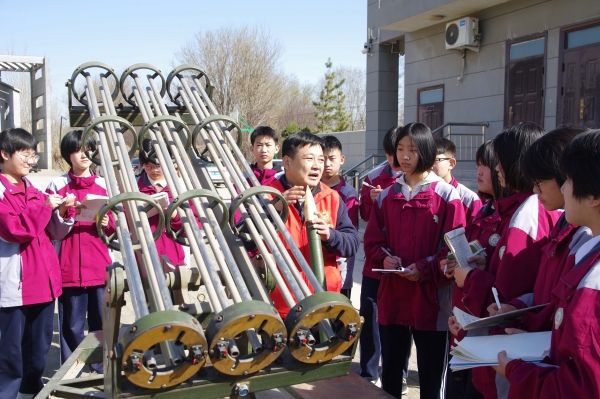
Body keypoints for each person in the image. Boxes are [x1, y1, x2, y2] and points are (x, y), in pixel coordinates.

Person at [452, 122, 561, 399]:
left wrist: (471, 278)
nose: (497, 168)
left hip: (511, 345)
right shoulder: (533, 208)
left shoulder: (529, 213)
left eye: (499, 162)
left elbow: (506, 296)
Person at [495, 129, 600, 399]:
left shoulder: (594, 280)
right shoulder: (586, 254)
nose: (564, 188)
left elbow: (581, 386)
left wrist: (520, 372)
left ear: (595, 196)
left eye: (569, 180)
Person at [364, 122, 466, 399]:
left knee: (431, 378)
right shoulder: (386, 195)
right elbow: (372, 242)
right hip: (393, 297)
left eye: (412, 149)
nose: (405, 156)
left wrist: (424, 268)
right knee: (391, 374)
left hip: (432, 301)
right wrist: (385, 260)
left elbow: (454, 251)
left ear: (427, 152)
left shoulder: (447, 196)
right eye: (400, 149)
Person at [487, 127, 591, 333]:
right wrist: (519, 307)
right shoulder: (564, 224)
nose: (536, 190)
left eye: (540, 182)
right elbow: (546, 294)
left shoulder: (584, 240)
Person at [267, 132, 360, 318]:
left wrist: (330, 235)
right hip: (282, 308)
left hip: (325, 304)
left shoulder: (332, 198)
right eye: (309, 159)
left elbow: (352, 243)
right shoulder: (266, 195)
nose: (317, 166)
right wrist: (272, 210)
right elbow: (244, 239)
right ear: (287, 162)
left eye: (320, 159)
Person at [0, 128, 63, 398]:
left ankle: (30, 392)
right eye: (24, 154)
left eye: (33, 155)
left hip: (44, 284)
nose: (30, 161)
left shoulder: (33, 190)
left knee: (38, 352)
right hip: (15, 287)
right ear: (4, 154)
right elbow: (15, 229)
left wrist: (65, 213)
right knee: (10, 355)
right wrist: (46, 207)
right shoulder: (2, 193)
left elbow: (53, 232)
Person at [46, 130, 115, 372]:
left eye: (89, 149)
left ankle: (100, 367)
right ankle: (72, 368)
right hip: (68, 265)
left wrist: (109, 223)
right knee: (71, 324)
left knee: (101, 321)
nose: (84, 155)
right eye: (78, 150)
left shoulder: (105, 185)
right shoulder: (57, 185)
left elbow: (117, 223)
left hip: (98, 263)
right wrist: (63, 212)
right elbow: (48, 224)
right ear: (68, 154)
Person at [443, 140, 503, 399]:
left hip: (483, 328)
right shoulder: (484, 211)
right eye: (478, 165)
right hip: (462, 319)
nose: (479, 172)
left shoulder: (515, 218)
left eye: (486, 166)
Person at [358, 127, 404, 388]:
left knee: (399, 320)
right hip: (375, 264)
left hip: (401, 264)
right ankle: (368, 371)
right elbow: (364, 216)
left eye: (404, 151)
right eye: (393, 153)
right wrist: (373, 201)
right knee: (371, 316)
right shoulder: (373, 178)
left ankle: (400, 374)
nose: (397, 160)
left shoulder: (416, 181)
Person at [321, 135, 359, 299]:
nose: (327, 164)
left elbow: (349, 234)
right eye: (322, 159)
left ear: (342, 159)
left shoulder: (347, 194)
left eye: (332, 158)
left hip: (340, 264)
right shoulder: (310, 188)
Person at [137, 139, 185, 266]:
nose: (153, 170)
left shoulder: (179, 187)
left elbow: (193, 225)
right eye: (148, 166)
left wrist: (174, 216)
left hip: (174, 253)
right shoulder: (135, 188)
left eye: (157, 166)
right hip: (146, 255)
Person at [432, 137, 482, 223]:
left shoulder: (469, 199)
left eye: (435, 160)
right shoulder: (421, 194)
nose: (429, 165)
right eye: (427, 160)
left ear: (451, 163)